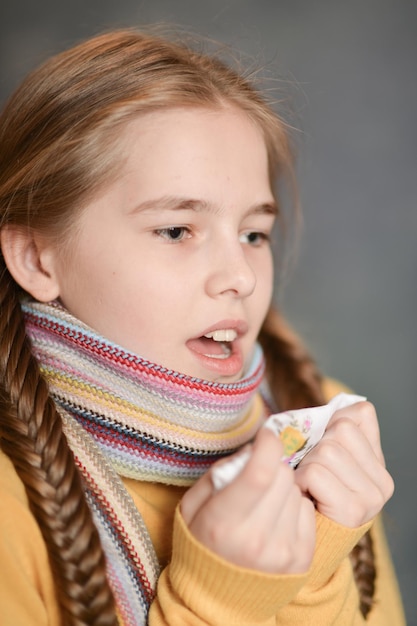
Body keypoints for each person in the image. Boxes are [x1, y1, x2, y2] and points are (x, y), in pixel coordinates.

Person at [0, 28, 405, 626]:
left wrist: (316, 571)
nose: (239, 276)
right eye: (176, 231)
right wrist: (217, 599)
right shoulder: (12, 504)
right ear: (38, 259)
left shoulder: (324, 431)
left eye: (254, 234)